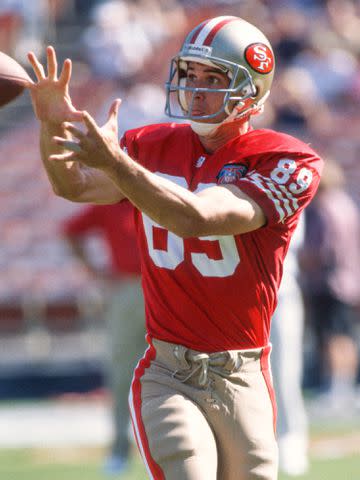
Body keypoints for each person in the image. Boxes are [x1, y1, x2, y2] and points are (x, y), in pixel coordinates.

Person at [26, 16, 323, 480]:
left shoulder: (286, 158)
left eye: (213, 78)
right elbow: (75, 186)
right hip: (169, 369)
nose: (196, 88)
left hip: (243, 370)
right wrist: (49, 125)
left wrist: (119, 164)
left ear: (252, 87)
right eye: (190, 74)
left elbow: (198, 219)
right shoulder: (150, 144)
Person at [61, 202, 145, 474]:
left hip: (171, 286)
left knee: (178, 368)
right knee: (122, 374)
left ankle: (169, 446)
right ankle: (120, 448)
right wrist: (93, 271)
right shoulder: (112, 202)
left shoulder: (164, 187)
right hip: (129, 290)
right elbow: (71, 230)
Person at [299, 159, 360, 418]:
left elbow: (322, 251)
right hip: (349, 280)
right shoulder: (346, 205)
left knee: (332, 338)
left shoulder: (324, 209)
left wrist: (300, 262)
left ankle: (336, 390)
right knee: (345, 336)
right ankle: (344, 389)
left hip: (330, 283)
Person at [270, 215, 309, 477]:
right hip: (240, 295)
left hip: (280, 292)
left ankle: (291, 440)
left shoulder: (285, 174)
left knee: (285, 374)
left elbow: (294, 236)